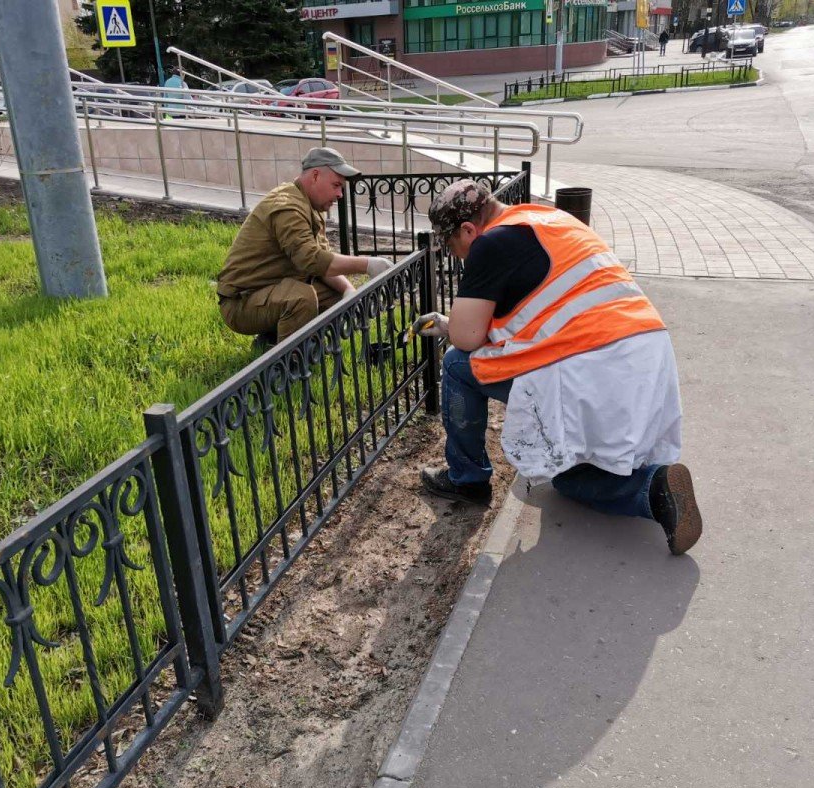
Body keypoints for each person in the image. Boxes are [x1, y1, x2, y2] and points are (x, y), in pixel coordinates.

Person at [410, 180, 702, 556]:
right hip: (645, 356)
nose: (460, 257)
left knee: (457, 366)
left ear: (468, 230)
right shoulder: (546, 219)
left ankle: (467, 481)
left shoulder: (490, 243)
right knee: (588, 454)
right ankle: (655, 483)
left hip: (592, 366)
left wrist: (450, 326)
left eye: (454, 248)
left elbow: (467, 338)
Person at [216, 147, 393, 349]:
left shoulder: (309, 205)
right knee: (302, 298)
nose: (340, 194)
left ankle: (270, 341)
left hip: (268, 289)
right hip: (241, 302)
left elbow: (321, 263)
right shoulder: (287, 207)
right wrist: (367, 264)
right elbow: (310, 259)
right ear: (315, 176)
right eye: (336, 185)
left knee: (334, 294)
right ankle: (288, 367)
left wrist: (348, 290)